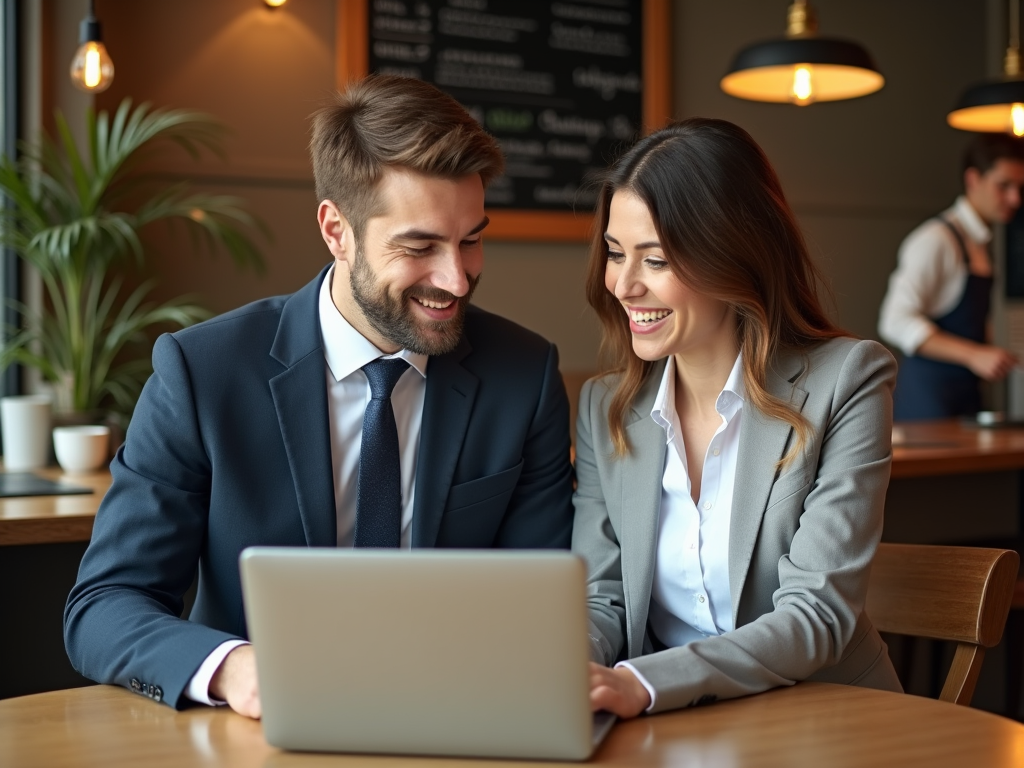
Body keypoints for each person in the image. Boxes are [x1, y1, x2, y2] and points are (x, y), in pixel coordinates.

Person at [64, 75, 575, 718]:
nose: (456, 277)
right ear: (336, 230)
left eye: (471, 238)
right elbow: (105, 606)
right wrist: (233, 671)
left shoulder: (523, 375)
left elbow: (541, 606)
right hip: (258, 734)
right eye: (419, 247)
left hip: (458, 719)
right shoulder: (202, 372)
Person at [572, 118, 902, 718]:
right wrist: (574, 672)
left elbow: (816, 616)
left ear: (733, 255)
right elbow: (606, 596)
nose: (623, 284)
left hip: (829, 721)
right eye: (616, 254)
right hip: (676, 727)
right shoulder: (605, 407)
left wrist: (641, 684)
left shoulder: (847, 380)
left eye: (657, 260)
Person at [878, 134, 1024, 421]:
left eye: (1020, 187)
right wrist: (974, 355)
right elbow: (894, 321)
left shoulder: (981, 243)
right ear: (973, 179)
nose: (1015, 199)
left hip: (967, 396)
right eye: (1003, 185)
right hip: (928, 401)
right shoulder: (935, 240)